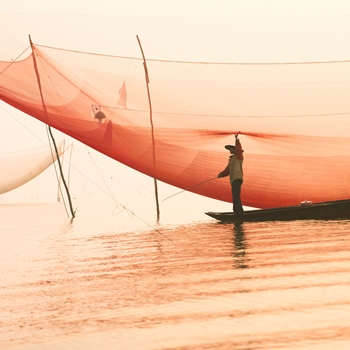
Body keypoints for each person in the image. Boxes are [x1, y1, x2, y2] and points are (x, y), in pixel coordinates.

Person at [218, 134, 244, 214]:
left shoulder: (238, 157)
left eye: (231, 148)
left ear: (234, 149)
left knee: (235, 196)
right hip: (233, 179)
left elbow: (239, 150)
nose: (230, 150)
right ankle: (240, 211)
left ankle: (237, 212)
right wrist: (221, 174)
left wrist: (236, 140)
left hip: (237, 178)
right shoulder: (231, 160)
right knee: (236, 196)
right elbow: (227, 170)